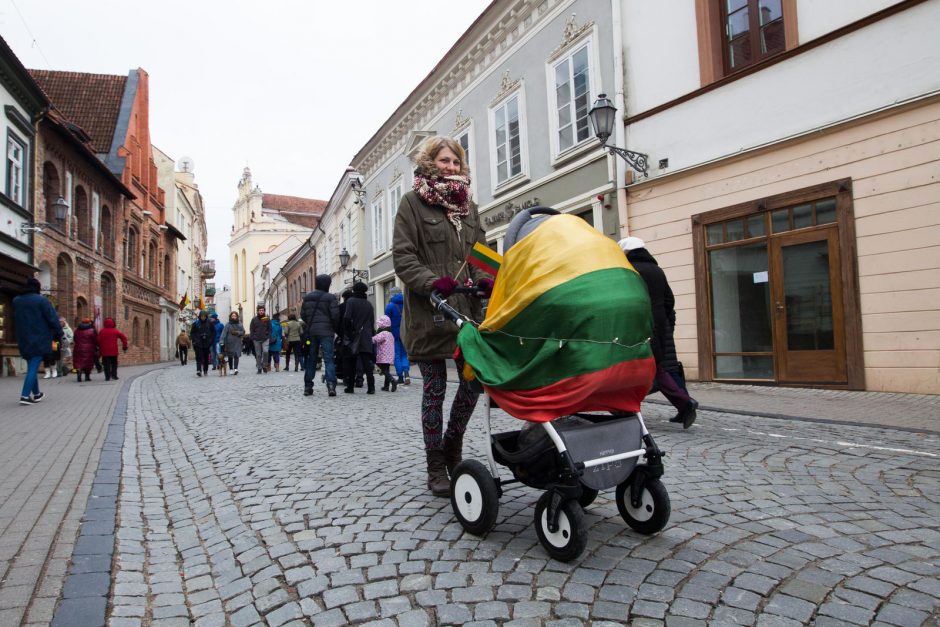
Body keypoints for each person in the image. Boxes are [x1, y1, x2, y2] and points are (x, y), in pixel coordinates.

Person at [392, 136, 492, 496]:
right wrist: (435, 283)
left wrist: (485, 282)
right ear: (430, 162)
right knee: (434, 390)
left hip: (466, 314)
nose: (451, 167)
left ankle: (453, 443)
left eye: (456, 161)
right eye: (444, 160)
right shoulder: (412, 203)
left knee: (474, 383)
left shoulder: (470, 207)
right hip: (430, 313)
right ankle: (436, 465)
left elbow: (480, 252)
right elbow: (403, 258)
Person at [620, 236, 698, 429]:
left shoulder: (630, 271)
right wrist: (665, 323)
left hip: (638, 324)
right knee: (655, 366)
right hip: (659, 326)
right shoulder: (657, 270)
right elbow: (669, 300)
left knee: (634, 367)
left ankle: (624, 410)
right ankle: (683, 403)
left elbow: (627, 300)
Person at [12, 278, 62, 404]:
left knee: (31, 365)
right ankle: (24, 396)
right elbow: (52, 318)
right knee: (34, 366)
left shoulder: (16, 300)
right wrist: (59, 332)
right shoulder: (41, 301)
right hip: (39, 337)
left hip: (23, 338)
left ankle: (37, 394)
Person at [300, 274, 339, 397]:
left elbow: (303, 315)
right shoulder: (330, 297)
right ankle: (331, 386)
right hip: (327, 332)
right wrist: (334, 327)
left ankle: (308, 386)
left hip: (312, 332)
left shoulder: (307, 297)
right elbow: (335, 315)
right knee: (328, 358)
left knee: (312, 359)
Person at [342, 282, 376, 394]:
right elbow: (372, 323)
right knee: (367, 363)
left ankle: (350, 387)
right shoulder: (369, 304)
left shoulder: (351, 301)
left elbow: (347, 318)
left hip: (354, 336)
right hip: (366, 336)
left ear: (354, 290)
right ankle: (371, 387)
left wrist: (348, 333)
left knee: (351, 362)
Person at [384, 291, 410, 385]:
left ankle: (400, 377)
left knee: (396, 354)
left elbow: (386, 320)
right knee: (404, 354)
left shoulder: (390, 306)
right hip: (405, 332)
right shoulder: (406, 305)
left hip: (394, 333)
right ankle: (406, 371)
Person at [97, 317, 128, 381]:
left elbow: (98, 341)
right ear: (113, 323)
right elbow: (124, 338)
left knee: (106, 364)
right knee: (114, 364)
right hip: (114, 351)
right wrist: (124, 346)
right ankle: (114, 375)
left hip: (104, 351)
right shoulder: (115, 331)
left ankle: (107, 377)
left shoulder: (102, 331)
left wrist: (99, 347)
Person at [373, 314, 397, 392]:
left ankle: (392, 380)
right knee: (387, 370)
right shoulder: (390, 334)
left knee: (384, 370)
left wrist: (369, 338)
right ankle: (386, 386)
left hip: (383, 355)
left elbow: (375, 339)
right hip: (389, 355)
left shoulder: (383, 334)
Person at [72, 318, 98, 382]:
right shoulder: (92, 330)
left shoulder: (77, 330)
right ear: (89, 323)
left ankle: (79, 374)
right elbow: (95, 340)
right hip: (89, 349)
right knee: (88, 363)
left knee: (78, 362)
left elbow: (74, 339)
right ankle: (87, 377)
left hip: (78, 348)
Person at [190, 311, 214, 377]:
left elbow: (213, 332)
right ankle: (198, 370)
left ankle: (205, 370)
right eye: (201, 316)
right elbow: (192, 333)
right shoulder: (196, 323)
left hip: (207, 343)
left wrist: (210, 340)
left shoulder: (210, 323)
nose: (203, 317)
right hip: (198, 343)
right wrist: (194, 341)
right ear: (200, 316)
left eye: (204, 316)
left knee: (206, 358)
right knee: (199, 357)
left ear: (206, 316)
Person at [249, 305, 272, 374]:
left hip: (265, 338)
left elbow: (270, 329)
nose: (261, 311)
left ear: (264, 311)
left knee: (265, 352)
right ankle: (259, 367)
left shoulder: (266, 319)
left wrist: (268, 336)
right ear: (258, 311)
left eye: (262, 310)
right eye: (260, 310)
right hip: (256, 339)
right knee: (258, 354)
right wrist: (253, 336)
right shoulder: (254, 319)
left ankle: (264, 365)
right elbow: (251, 329)